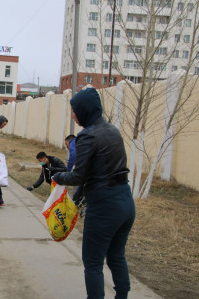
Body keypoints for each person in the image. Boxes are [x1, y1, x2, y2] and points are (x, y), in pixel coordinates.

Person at [53, 88, 135, 299]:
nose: (73, 115)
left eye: (74, 110)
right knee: (116, 256)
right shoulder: (112, 130)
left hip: (104, 206)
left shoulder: (87, 135)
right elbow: (97, 171)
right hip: (125, 201)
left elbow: (78, 176)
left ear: (84, 110)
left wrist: (57, 177)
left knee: (92, 263)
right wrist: (76, 199)